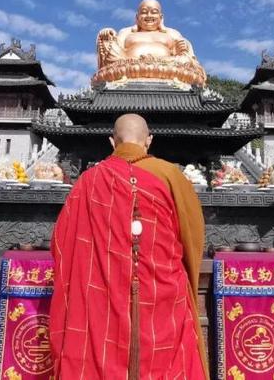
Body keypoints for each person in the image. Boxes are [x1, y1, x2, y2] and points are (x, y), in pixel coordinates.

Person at [50, 114, 207, 379]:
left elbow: (62, 245)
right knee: (168, 356)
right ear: (149, 141)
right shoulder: (172, 176)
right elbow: (192, 237)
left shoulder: (88, 182)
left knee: (97, 348)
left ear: (112, 142)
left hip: (100, 294)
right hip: (162, 292)